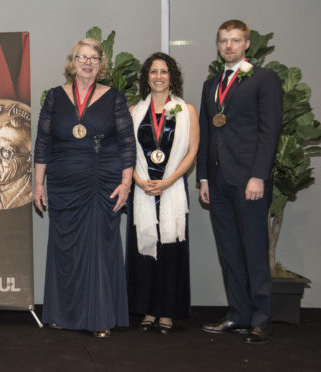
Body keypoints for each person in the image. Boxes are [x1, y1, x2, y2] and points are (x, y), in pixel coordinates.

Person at [34, 38, 135, 338]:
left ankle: (99, 318)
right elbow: (43, 143)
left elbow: (127, 143)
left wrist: (126, 182)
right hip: (63, 182)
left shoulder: (115, 97)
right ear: (72, 61)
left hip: (101, 180)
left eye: (94, 58)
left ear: (101, 64)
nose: (88, 62)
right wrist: (38, 182)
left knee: (98, 249)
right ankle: (61, 315)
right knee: (64, 248)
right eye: (82, 57)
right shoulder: (54, 97)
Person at [198, 19, 282, 344]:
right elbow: (208, 131)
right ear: (218, 45)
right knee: (229, 251)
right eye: (223, 40)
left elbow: (269, 131)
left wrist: (258, 175)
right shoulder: (211, 85)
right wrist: (204, 177)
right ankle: (238, 314)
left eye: (235, 40)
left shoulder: (265, 80)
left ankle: (261, 319)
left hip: (250, 181)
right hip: (217, 181)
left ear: (247, 43)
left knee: (254, 250)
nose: (229, 46)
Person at [125, 52, 199, 335]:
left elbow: (192, 151)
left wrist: (168, 181)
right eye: (153, 71)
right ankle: (148, 309)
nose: (158, 76)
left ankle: (167, 312)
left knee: (170, 251)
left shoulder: (186, 110)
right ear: (147, 77)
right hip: (142, 190)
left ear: (172, 76)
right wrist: (138, 180)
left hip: (172, 190)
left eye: (164, 71)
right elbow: (126, 153)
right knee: (143, 252)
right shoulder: (135, 111)